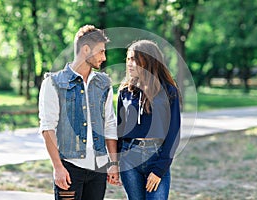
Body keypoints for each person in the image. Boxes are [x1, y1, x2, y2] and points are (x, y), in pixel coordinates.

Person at [38, 25, 120, 200]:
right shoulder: (53, 83)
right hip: (69, 168)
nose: (104, 58)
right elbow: (47, 128)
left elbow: (110, 124)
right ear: (85, 49)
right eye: (100, 52)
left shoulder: (104, 83)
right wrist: (58, 167)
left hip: (98, 169)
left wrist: (113, 163)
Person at [117, 40, 181, 200]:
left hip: (157, 156)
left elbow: (174, 133)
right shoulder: (125, 91)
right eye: (128, 59)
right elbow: (119, 129)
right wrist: (115, 163)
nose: (130, 64)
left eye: (135, 59)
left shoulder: (169, 92)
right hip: (129, 159)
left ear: (149, 61)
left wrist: (160, 170)